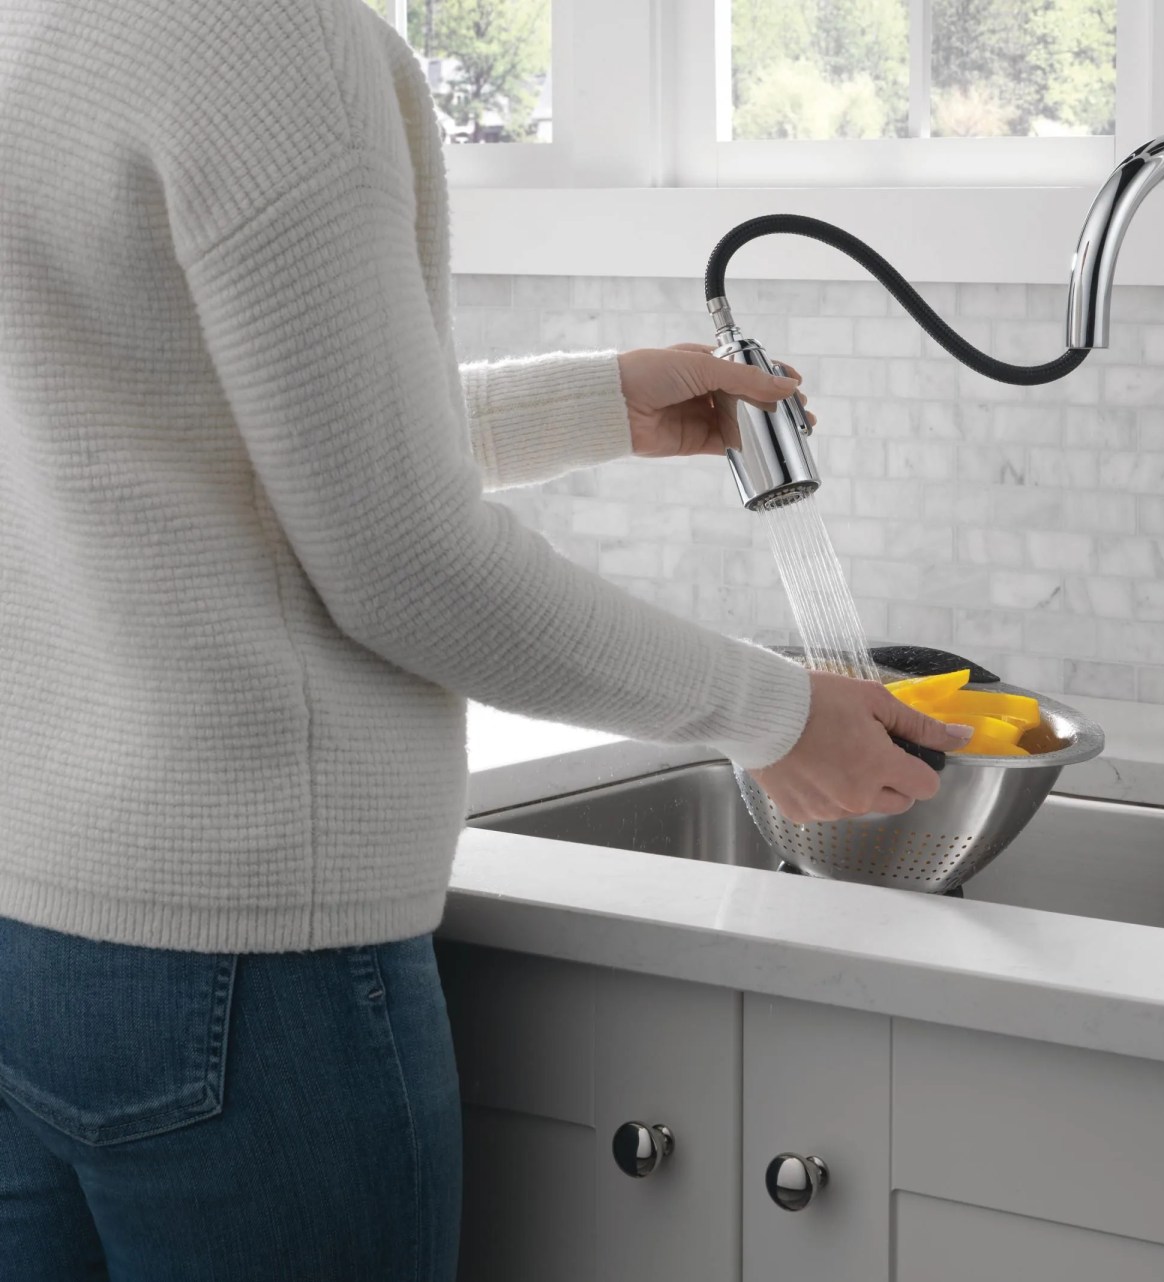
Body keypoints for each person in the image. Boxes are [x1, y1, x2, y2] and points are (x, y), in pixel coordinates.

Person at [0, 0, 968, 1276]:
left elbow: (221, 432)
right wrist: (773, 716)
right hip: (253, 968)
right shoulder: (275, 38)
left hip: (39, 928)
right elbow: (409, 565)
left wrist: (595, 402)